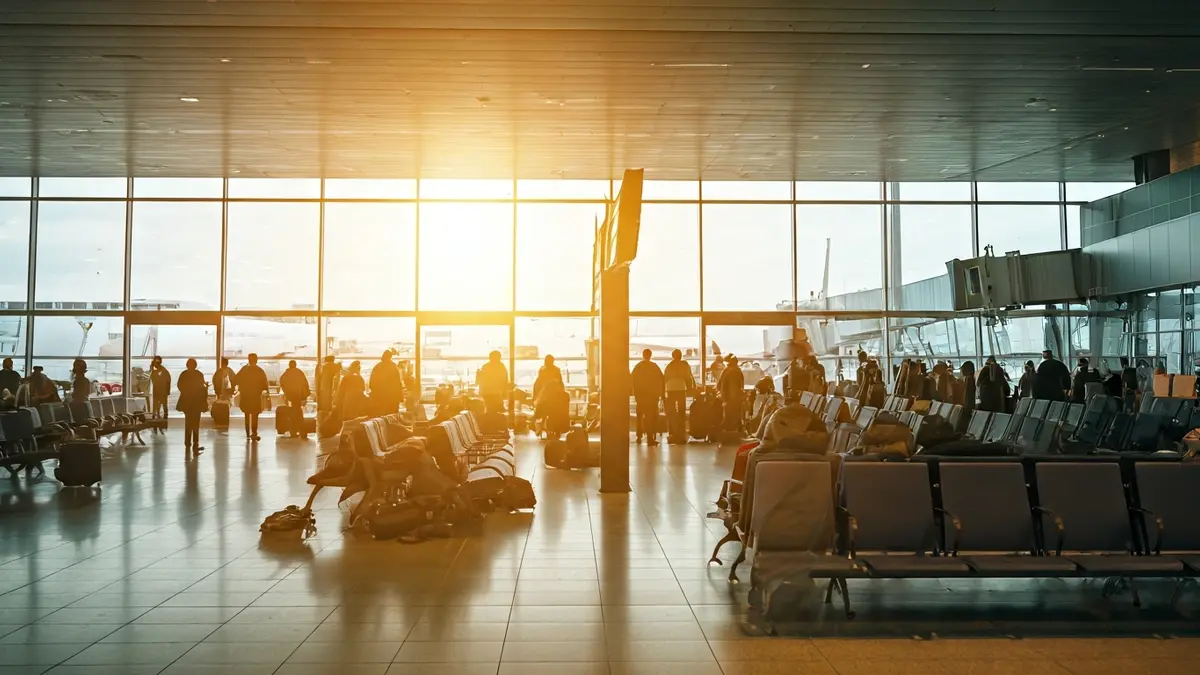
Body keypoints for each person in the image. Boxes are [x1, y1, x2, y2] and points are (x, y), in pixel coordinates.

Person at [631, 349, 665, 443]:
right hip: (652, 396)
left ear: (643, 355)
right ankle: (650, 437)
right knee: (650, 417)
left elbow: (632, 380)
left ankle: (639, 436)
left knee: (640, 416)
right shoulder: (654, 367)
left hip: (640, 396)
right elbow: (661, 380)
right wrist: (661, 394)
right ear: (650, 355)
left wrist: (635, 394)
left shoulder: (638, 367)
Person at [176, 358, 208, 456]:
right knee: (196, 423)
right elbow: (202, 387)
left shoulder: (184, 374)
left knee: (188, 422)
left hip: (186, 402)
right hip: (197, 402)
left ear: (187, 365)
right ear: (195, 365)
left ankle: (187, 442)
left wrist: (186, 392)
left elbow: (179, 386)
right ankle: (195, 443)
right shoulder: (199, 374)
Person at [663, 349, 695, 443]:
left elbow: (665, 377)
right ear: (680, 356)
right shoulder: (684, 365)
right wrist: (689, 388)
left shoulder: (669, 365)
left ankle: (672, 432)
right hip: (681, 388)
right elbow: (688, 377)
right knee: (681, 411)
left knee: (671, 412)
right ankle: (681, 432)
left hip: (670, 389)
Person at [236, 353, 269, 441]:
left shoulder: (244, 369)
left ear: (249, 360)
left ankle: (247, 432)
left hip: (246, 396)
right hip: (255, 396)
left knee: (246, 414)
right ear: (256, 360)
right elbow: (265, 385)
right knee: (255, 415)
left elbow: (236, 379)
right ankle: (254, 432)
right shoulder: (259, 370)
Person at [280, 360, 311, 439]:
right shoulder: (299, 373)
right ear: (295, 365)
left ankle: (293, 431)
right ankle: (301, 430)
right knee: (299, 413)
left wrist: (286, 392)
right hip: (298, 396)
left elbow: (282, 382)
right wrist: (305, 396)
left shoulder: (286, 374)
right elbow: (305, 384)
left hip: (291, 396)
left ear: (289, 365)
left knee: (293, 413)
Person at [716, 354, 745, 434]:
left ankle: (722, 434)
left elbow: (718, 385)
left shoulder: (726, 370)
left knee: (727, 418)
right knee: (735, 418)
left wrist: (724, 398)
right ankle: (735, 434)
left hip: (726, 398)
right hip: (734, 398)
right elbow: (738, 385)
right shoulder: (737, 371)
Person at [368, 351, 403, 416]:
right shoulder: (393, 367)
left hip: (379, 399)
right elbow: (398, 384)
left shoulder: (377, 367)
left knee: (380, 420)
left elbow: (371, 384)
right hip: (392, 399)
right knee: (391, 419)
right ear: (390, 357)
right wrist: (400, 397)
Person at [477, 350, 510, 416]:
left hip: (487, 393)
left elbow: (479, 381)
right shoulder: (500, 366)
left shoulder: (485, 366)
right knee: (497, 412)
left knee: (490, 412)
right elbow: (504, 381)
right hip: (495, 393)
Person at [149, 356, 172, 425]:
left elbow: (166, 381)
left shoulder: (162, 371)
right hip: (159, 389)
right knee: (160, 403)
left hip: (161, 389)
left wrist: (167, 390)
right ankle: (159, 415)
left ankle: (162, 415)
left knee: (162, 403)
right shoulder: (159, 371)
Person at [958, 361, 976, 431]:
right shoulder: (971, 378)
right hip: (969, 405)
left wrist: (965, 406)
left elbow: (968, 395)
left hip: (968, 406)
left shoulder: (968, 379)